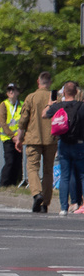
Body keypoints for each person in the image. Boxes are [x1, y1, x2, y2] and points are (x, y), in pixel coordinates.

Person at [15, 72, 56, 213]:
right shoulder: (55, 97)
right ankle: (45, 202)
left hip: (33, 138)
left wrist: (19, 138)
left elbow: (23, 121)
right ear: (49, 82)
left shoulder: (31, 97)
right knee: (48, 170)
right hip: (51, 138)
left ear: (38, 82)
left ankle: (37, 194)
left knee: (32, 167)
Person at [43, 81, 84, 216]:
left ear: (64, 92)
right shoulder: (81, 106)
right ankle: (81, 203)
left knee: (65, 176)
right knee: (82, 175)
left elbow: (44, 115)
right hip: (79, 144)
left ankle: (63, 207)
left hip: (64, 144)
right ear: (76, 92)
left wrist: (51, 102)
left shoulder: (58, 106)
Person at [0, 83, 24, 187]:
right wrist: (12, 136)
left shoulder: (22, 104)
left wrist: (19, 136)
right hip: (8, 138)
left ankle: (14, 184)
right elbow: (3, 122)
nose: (11, 92)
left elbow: (25, 120)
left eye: (13, 90)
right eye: (9, 90)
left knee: (18, 162)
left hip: (19, 138)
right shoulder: (4, 104)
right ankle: (4, 184)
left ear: (17, 92)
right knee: (10, 161)